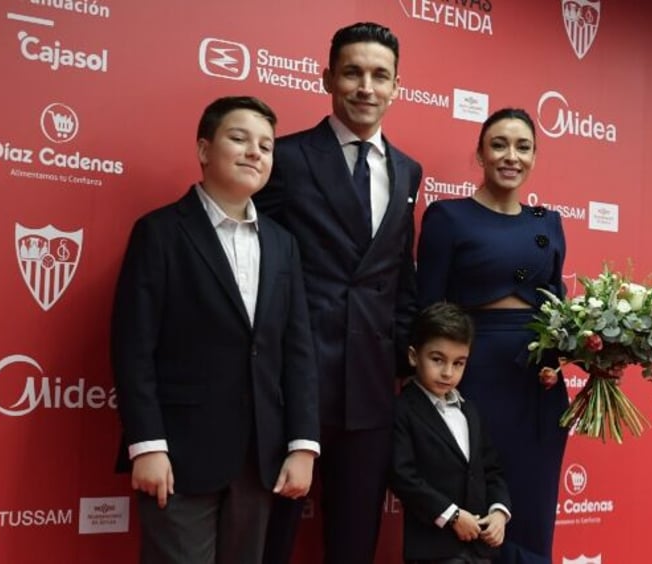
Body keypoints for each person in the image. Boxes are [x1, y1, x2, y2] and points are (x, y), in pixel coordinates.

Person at [111, 96, 319, 564]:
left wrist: (303, 445)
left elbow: (298, 350)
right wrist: (146, 445)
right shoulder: (160, 232)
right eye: (239, 139)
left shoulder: (283, 245)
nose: (255, 153)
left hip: (260, 458)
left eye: (266, 145)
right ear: (204, 150)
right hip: (179, 455)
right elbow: (134, 348)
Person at [253, 21, 423, 564]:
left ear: (397, 85)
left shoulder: (407, 171)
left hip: (371, 386)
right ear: (328, 77)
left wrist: (403, 360)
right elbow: (258, 266)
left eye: (380, 75)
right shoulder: (287, 157)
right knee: (268, 539)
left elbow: (401, 275)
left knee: (355, 543)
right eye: (352, 72)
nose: (365, 87)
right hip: (291, 382)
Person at [415, 108, 568, 564]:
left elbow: (558, 305)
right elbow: (428, 307)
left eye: (523, 147)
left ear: (535, 157)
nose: (510, 156)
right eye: (499, 144)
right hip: (471, 377)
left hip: (537, 383)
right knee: (474, 509)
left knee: (532, 507)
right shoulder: (448, 217)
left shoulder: (549, 224)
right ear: (480, 154)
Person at [390, 302, 512, 564]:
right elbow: (403, 476)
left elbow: (491, 471)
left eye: (458, 363)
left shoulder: (470, 410)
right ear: (413, 356)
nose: (448, 372)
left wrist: (499, 512)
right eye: (437, 360)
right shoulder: (402, 409)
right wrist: (452, 515)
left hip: (479, 548)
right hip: (433, 549)